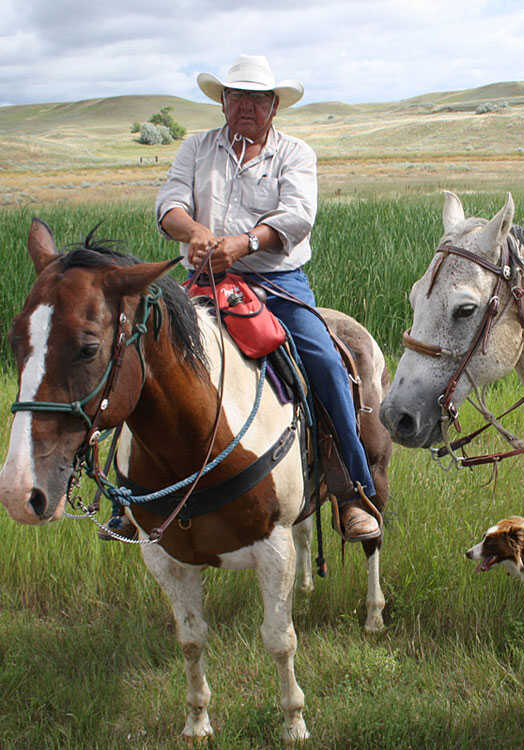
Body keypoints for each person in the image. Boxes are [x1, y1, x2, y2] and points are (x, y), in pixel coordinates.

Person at [154, 54, 380, 542]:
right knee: (141, 350)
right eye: (237, 97)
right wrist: (194, 232)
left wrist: (243, 243)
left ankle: (351, 492)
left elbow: (297, 216)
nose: (247, 107)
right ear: (223, 103)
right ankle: (134, 494)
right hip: (205, 283)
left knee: (323, 362)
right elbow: (168, 203)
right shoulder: (196, 149)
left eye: (258, 99)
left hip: (276, 283)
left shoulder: (295, 153)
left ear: (275, 106)